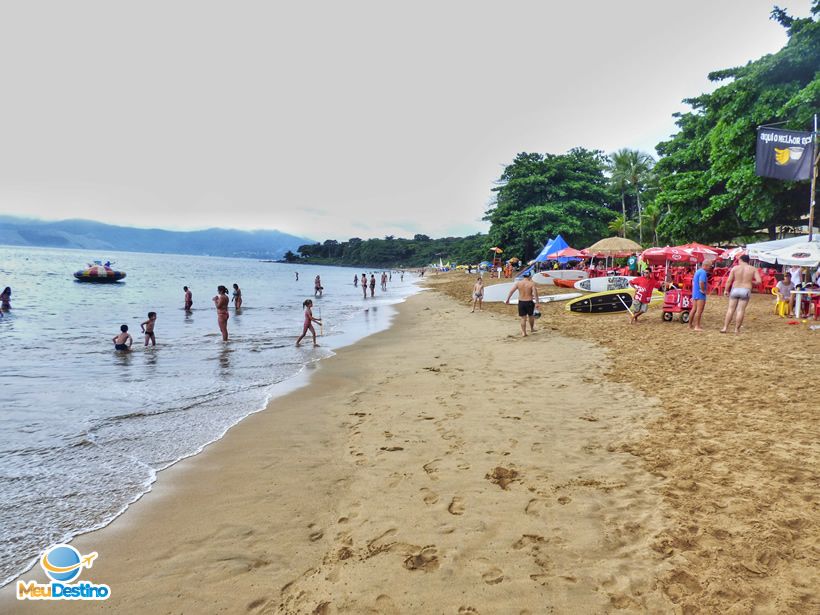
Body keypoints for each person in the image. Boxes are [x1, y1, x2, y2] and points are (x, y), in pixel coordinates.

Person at [721, 255, 761, 334]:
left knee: (730, 309)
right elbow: (759, 281)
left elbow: (729, 281)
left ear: (741, 260)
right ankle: (736, 329)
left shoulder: (735, 268)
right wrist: (751, 282)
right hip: (746, 289)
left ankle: (725, 328)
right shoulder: (753, 269)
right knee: (740, 310)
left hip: (735, 288)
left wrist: (726, 290)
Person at [505, 272, 540, 337]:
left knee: (523, 318)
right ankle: (532, 329)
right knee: (531, 316)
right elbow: (535, 294)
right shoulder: (531, 284)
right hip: (529, 302)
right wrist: (537, 302)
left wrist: (508, 299)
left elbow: (511, 291)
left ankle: (524, 332)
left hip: (521, 302)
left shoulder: (518, 283)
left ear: (524, 276)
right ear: (529, 276)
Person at [689, 262, 711, 331]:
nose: (710, 268)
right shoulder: (703, 272)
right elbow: (701, 282)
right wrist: (703, 290)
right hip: (700, 294)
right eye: (709, 266)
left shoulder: (698, 271)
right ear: (705, 265)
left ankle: (690, 325)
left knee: (693, 309)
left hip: (695, 293)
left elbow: (693, 282)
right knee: (699, 310)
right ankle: (697, 326)